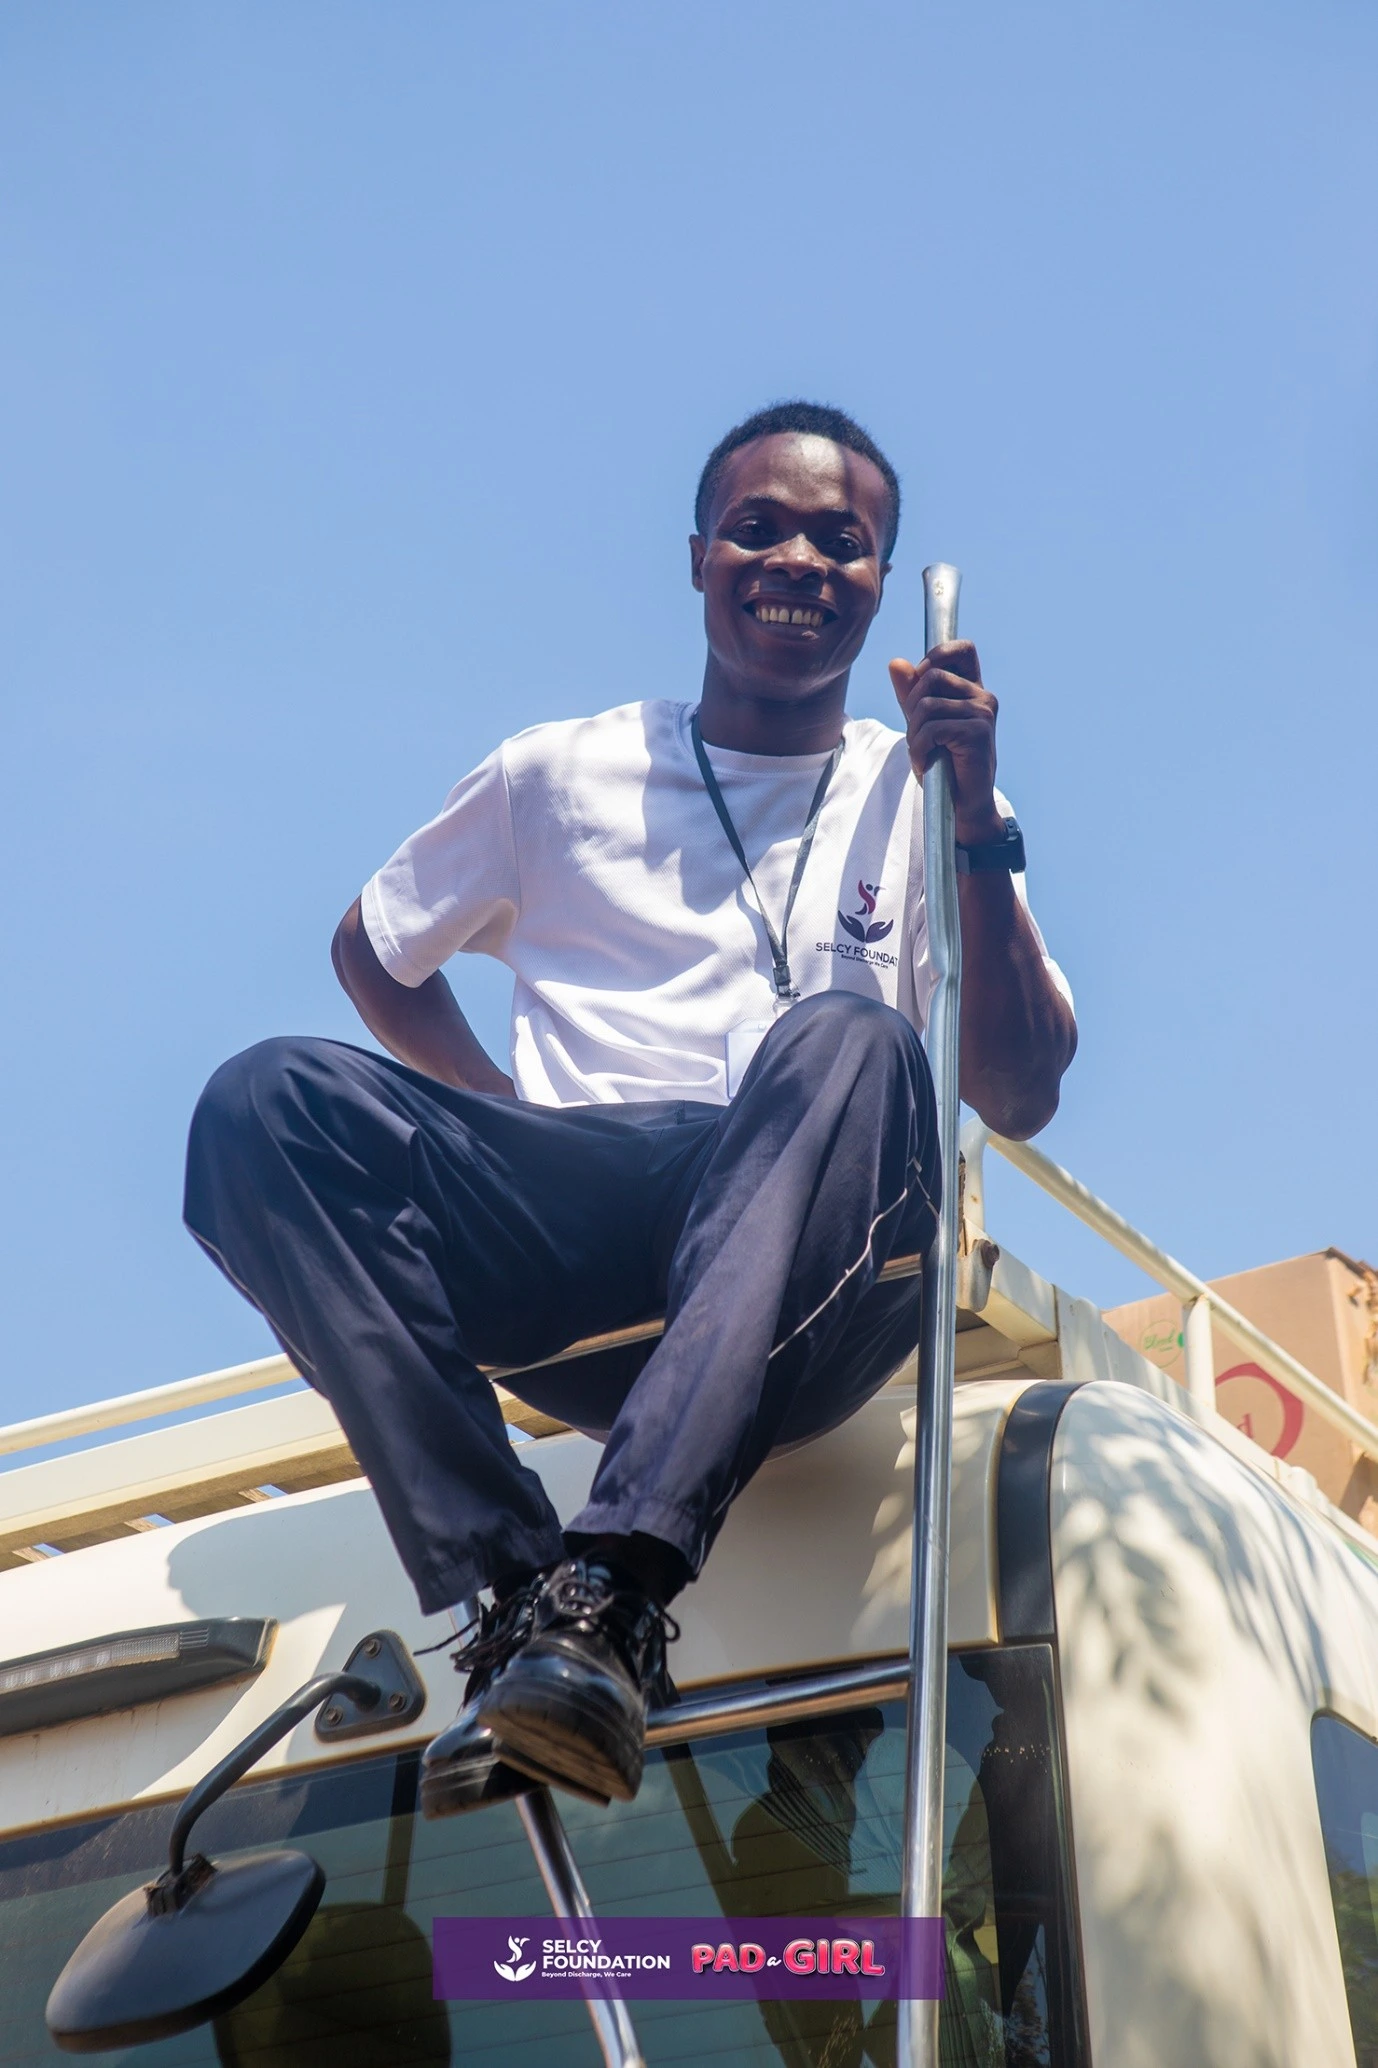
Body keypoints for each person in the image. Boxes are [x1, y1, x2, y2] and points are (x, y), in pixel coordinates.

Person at [184, 401, 1076, 1819]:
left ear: (878, 586)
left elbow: (1019, 1090)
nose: (797, 560)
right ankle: (518, 1606)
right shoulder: (560, 772)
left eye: (841, 541)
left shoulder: (920, 792)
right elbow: (374, 947)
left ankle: (614, 1590)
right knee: (262, 1100)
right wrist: (496, 1111)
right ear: (698, 557)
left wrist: (971, 813)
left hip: (815, 1260)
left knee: (844, 1037)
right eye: (758, 528)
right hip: (584, 1232)